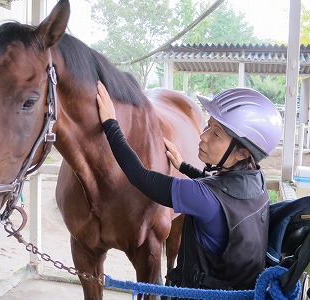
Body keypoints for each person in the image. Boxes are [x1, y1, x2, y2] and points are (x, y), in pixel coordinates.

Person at [96, 81, 283, 291]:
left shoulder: (203, 197)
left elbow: (139, 176)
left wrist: (111, 123)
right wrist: (183, 166)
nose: (203, 136)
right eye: (208, 127)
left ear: (243, 152)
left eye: (216, 134)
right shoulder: (256, 178)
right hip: (243, 290)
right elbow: (220, 189)